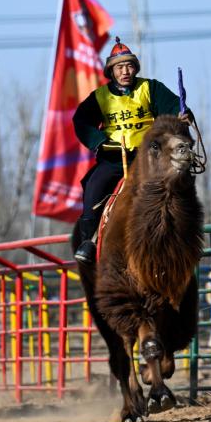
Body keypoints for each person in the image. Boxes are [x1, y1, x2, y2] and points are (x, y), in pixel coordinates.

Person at [72, 38, 185, 264]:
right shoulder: (100, 97)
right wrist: (100, 141)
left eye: (130, 66)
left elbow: (173, 107)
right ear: (111, 71)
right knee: (94, 188)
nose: (126, 71)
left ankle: (183, 234)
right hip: (114, 158)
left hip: (149, 156)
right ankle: (89, 242)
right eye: (120, 67)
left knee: (178, 181)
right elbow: (81, 121)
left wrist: (182, 114)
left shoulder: (150, 88)